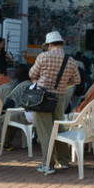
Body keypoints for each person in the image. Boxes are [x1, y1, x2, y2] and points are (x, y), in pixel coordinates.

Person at [29, 31, 81, 174]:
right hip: (60, 96)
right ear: (61, 44)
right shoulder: (70, 60)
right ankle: (64, 161)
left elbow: (32, 74)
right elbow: (77, 80)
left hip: (43, 97)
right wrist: (64, 82)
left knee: (45, 131)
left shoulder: (43, 57)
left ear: (50, 44)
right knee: (59, 128)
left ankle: (48, 164)